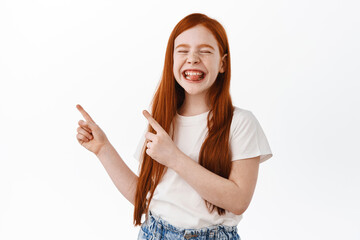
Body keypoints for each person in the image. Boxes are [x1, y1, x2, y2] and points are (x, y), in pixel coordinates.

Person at [76, 13, 272, 240]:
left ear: (222, 63)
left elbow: (239, 201)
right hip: (153, 233)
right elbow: (145, 199)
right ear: (171, 60)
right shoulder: (162, 121)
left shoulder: (240, 123)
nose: (192, 58)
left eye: (205, 51)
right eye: (183, 50)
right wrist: (103, 149)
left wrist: (174, 158)